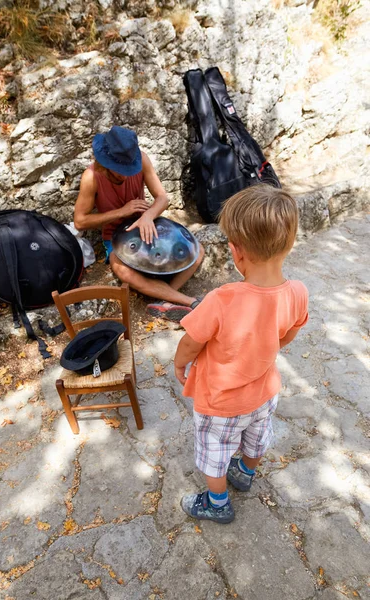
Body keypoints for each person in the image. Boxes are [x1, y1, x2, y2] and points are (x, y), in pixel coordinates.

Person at [174, 185, 309, 524]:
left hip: (221, 402)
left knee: (215, 451)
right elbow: (288, 333)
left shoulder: (223, 298)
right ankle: (245, 474)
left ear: (237, 251)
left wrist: (180, 363)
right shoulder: (297, 292)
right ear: (289, 244)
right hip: (264, 394)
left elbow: (192, 341)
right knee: (257, 437)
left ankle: (217, 503)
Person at [74, 126, 204, 321]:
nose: (126, 176)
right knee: (121, 269)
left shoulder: (141, 159)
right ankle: (191, 302)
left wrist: (148, 215)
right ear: (106, 164)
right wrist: (122, 212)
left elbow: (162, 197)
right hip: (116, 235)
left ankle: (164, 301)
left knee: (197, 251)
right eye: (120, 171)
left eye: (129, 169)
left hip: (147, 223)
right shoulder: (91, 177)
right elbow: (80, 220)